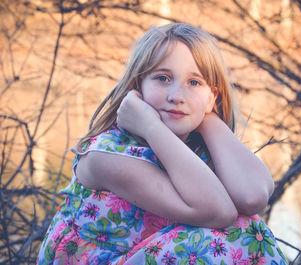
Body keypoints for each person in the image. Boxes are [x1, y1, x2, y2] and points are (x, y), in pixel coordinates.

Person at [37, 23, 287, 265]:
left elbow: (252, 196)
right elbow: (218, 213)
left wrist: (208, 119)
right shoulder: (106, 156)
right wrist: (151, 126)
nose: (176, 96)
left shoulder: (194, 143)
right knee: (231, 235)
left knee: (249, 227)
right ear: (136, 88)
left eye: (194, 83)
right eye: (163, 78)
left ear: (212, 96)